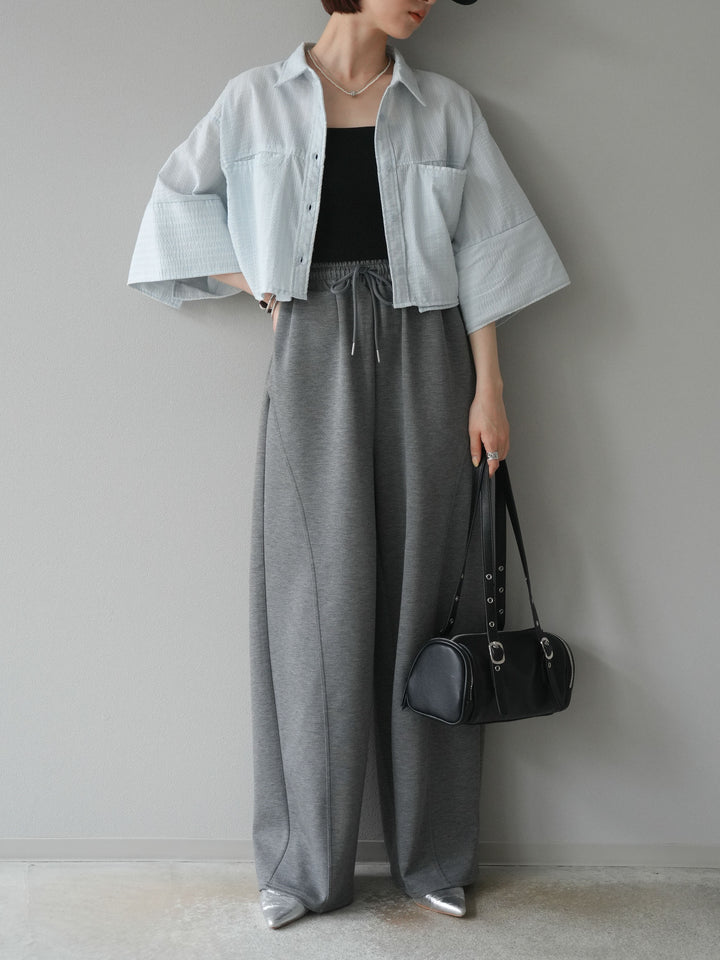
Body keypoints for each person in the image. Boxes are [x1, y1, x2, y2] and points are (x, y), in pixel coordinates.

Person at [127, 0, 570, 931]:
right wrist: (259, 279)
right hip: (314, 350)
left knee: (430, 602)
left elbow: (486, 252)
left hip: (429, 353)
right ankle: (302, 869)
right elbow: (173, 205)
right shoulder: (254, 100)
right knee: (311, 609)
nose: (428, 0)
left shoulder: (446, 108)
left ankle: (434, 856)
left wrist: (490, 391)